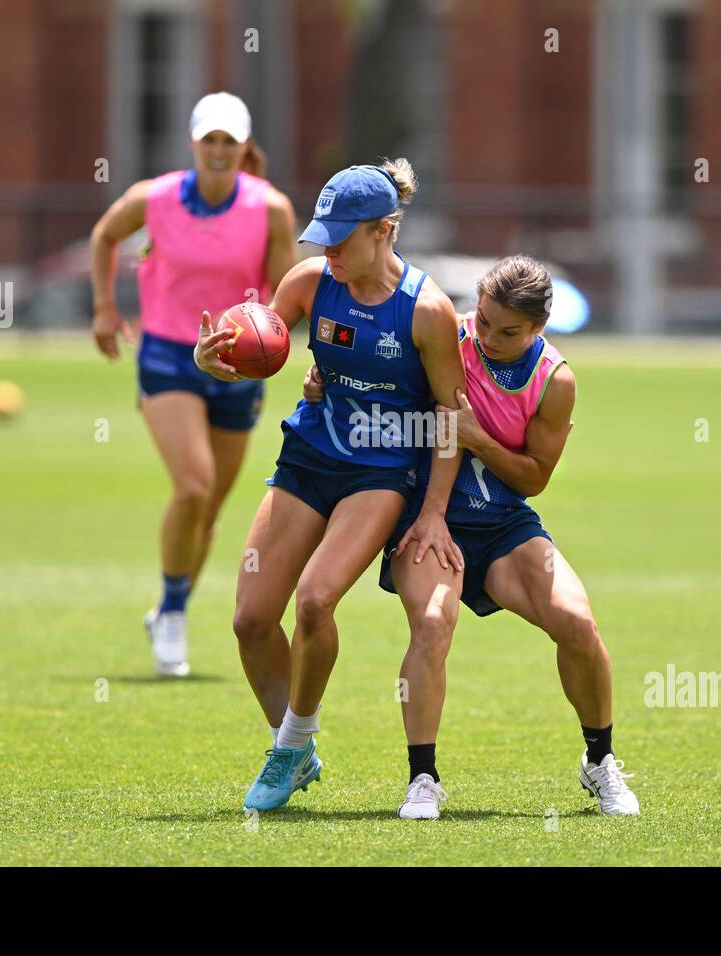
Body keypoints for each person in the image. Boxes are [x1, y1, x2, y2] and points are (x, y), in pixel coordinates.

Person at [304, 255, 640, 819]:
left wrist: (480, 440)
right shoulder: (442, 336)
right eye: (482, 320)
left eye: (508, 331)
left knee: (578, 624)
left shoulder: (554, 381)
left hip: (503, 526)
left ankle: (600, 761)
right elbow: (370, 378)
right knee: (433, 624)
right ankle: (423, 778)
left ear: (539, 328)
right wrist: (321, 385)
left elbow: (534, 478)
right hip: (426, 519)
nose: (488, 337)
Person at [194, 160, 466, 812]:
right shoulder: (312, 283)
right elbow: (257, 344)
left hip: (381, 474)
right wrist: (218, 366)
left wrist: (434, 513)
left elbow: (452, 418)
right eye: (324, 239)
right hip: (309, 456)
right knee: (251, 619)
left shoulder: (427, 311)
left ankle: (290, 748)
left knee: (316, 600)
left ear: (385, 230)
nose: (328, 252)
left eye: (342, 241)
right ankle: (297, 743)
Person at [89, 92, 296, 677]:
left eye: (230, 141)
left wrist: (275, 342)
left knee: (208, 511)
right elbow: (105, 235)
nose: (219, 150)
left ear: (244, 148)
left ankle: (167, 607)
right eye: (210, 140)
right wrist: (105, 307)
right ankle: (175, 613)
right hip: (169, 358)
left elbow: (284, 292)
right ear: (193, 144)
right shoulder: (153, 199)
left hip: (238, 366)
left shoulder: (270, 208)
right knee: (194, 485)